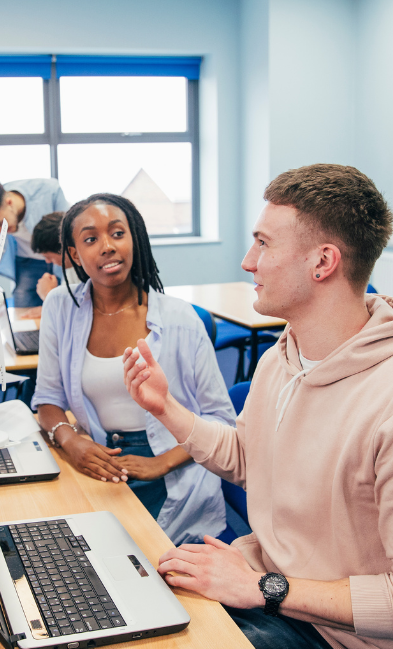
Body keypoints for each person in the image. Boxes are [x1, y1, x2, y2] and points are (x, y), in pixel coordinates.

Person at [124, 164, 393, 648]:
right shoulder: (285, 354)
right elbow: (248, 459)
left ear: (323, 262)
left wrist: (259, 588)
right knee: (125, 612)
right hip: (271, 589)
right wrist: (166, 406)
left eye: (264, 243)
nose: (247, 261)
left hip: (334, 636)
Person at [31, 193, 236, 546]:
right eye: (91, 239)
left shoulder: (179, 319)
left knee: (149, 569)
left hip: (175, 468)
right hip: (95, 460)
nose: (107, 247)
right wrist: (72, 442)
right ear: (75, 255)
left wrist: (161, 464)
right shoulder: (60, 306)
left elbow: (222, 420)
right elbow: (48, 399)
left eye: (117, 233)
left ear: (134, 239)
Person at [0, 177, 69, 307]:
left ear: (9, 202)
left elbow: (69, 239)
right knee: (24, 318)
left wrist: (55, 291)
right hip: (26, 262)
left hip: (61, 259)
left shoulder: (50, 192)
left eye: (0, 224)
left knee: (61, 307)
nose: (1, 232)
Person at [20, 211, 79, 319]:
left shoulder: (90, 271)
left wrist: (48, 294)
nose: (48, 261)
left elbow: (82, 315)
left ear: (64, 250)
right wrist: (47, 308)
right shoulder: (70, 268)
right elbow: (69, 306)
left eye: (49, 256)